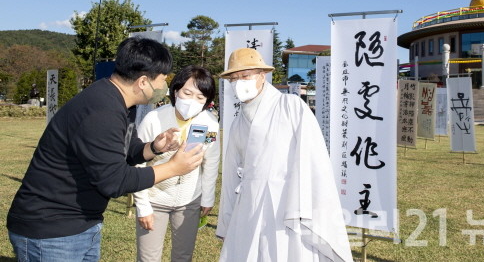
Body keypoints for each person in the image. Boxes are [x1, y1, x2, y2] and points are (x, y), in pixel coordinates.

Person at [7, 37, 204, 262]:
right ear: (142, 82)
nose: (163, 87)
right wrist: (173, 168)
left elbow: (127, 150)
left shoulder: (119, 102)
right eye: (162, 80)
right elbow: (115, 181)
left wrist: (154, 148)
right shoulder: (102, 109)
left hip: (81, 223)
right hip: (52, 230)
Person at [216, 48, 353, 262]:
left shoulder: (291, 106)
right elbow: (231, 176)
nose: (238, 82)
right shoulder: (237, 124)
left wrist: (310, 205)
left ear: (262, 75)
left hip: (287, 202)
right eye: (233, 78)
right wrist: (226, 223)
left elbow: (313, 159)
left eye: (245, 76)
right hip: (248, 205)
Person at [134, 65, 220, 262]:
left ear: (207, 100)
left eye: (200, 97)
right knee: (148, 257)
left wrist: (207, 198)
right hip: (154, 199)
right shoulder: (154, 118)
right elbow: (137, 164)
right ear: (175, 91)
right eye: (187, 93)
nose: (192, 101)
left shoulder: (210, 124)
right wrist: (143, 206)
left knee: (183, 256)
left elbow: (211, 162)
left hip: (189, 201)